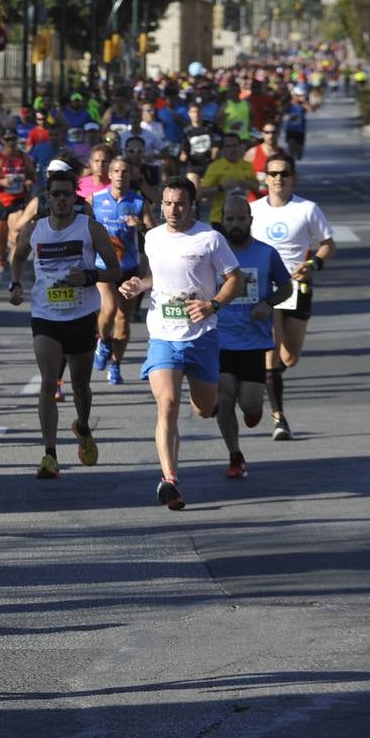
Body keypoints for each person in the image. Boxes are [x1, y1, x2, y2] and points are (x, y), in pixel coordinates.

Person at [119, 177, 241, 510]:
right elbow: (153, 276)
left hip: (201, 336)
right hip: (163, 333)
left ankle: (205, 402)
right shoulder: (154, 238)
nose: (173, 210)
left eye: (180, 203)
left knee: (203, 409)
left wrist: (212, 304)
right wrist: (138, 285)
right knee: (167, 404)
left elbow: (235, 279)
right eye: (168, 204)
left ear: (192, 205)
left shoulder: (210, 239)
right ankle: (169, 480)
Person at [9, 170, 121, 479]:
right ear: (47, 198)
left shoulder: (91, 229)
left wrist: (89, 276)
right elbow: (17, 258)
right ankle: (50, 455)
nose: (60, 200)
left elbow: (115, 271)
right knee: (49, 382)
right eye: (55, 194)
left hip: (82, 316)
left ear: (76, 198)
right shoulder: (35, 230)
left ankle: (83, 426)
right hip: (46, 316)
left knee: (81, 385)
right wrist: (15, 285)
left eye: (66, 194)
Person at [249, 154, 337, 441]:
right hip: (268, 289)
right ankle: (279, 418)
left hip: (298, 288)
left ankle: (268, 380)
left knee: (291, 356)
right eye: (273, 173)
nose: (278, 178)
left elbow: (327, 244)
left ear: (293, 177)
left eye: (284, 173)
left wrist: (313, 265)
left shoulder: (307, 209)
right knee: (270, 355)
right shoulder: (254, 210)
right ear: (265, 177)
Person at [214, 196, 294, 479]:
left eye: (240, 219)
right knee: (223, 398)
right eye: (230, 219)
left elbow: (286, 287)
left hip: (254, 342)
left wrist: (268, 303)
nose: (235, 224)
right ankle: (235, 456)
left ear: (250, 220)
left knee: (249, 404)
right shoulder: (214, 253)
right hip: (220, 341)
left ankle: (252, 410)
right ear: (223, 221)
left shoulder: (265, 253)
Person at [90, 157, 146, 385]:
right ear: (110, 174)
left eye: (125, 171)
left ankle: (115, 363)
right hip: (103, 265)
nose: (120, 175)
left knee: (123, 319)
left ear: (130, 174)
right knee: (109, 307)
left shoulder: (139, 202)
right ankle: (103, 340)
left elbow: (153, 230)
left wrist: (140, 226)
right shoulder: (96, 199)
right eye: (116, 171)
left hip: (129, 267)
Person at [0, 130, 37, 273]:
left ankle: (14, 268)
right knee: (1, 239)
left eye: (13, 139)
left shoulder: (23, 156)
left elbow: (33, 175)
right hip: (2, 202)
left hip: (18, 201)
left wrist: (28, 182)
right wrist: (0, 182)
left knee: (15, 236)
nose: (11, 142)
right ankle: (2, 256)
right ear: (2, 140)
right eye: (7, 139)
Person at [198, 133, 258, 226]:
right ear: (223, 149)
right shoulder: (215, 166)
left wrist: (246, 184)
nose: (232, 149)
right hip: (220, 218)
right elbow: (202, 193)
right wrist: (221, 188)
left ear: (240, 147)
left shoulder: (247, 165)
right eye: (228, 146)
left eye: (235, 145)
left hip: (243, 217)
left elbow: (258, 187)